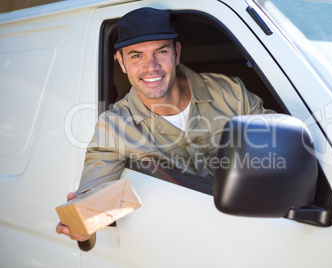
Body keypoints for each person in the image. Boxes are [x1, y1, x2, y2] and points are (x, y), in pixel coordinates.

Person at [56, 7, 275, 251]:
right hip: (177, 247)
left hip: (253, 236)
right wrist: (81, 224)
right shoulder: (114, 126)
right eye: (136, 55)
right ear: (122, 62)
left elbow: (281, 145)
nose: (151, 67)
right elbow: (91, 198)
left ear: (177, 53)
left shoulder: (230, 92)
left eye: (160, 52)